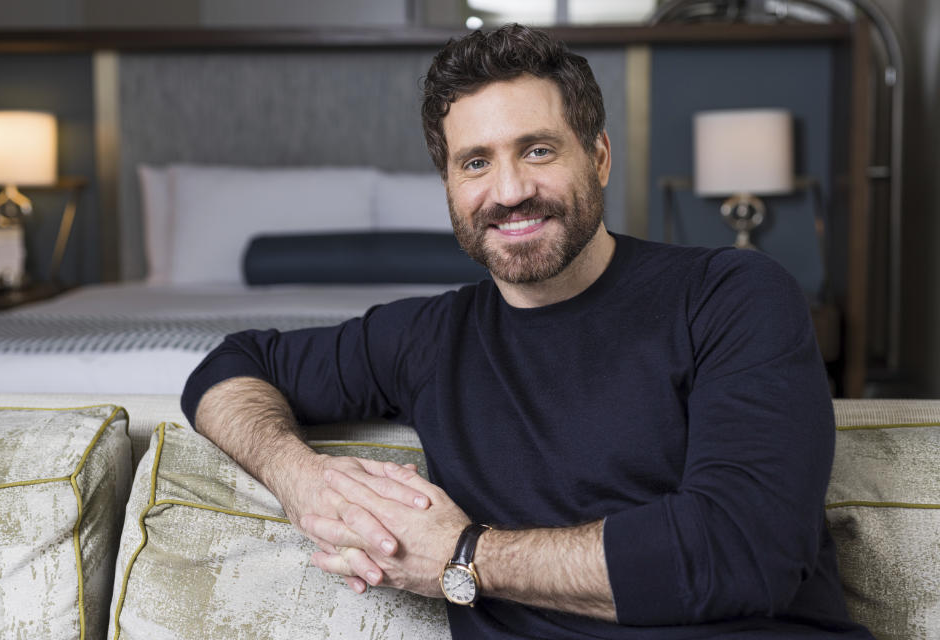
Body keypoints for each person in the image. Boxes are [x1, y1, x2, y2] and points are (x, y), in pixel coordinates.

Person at [181, 24, 872, 639]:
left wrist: (462, 557)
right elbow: (228, 366)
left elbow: (742, 551)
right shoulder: (427, 336)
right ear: (450, 187)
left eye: (537, 150)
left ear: (598, 157)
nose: (508, 191)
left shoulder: (731, 295)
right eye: (475, 162)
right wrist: (299, 475)